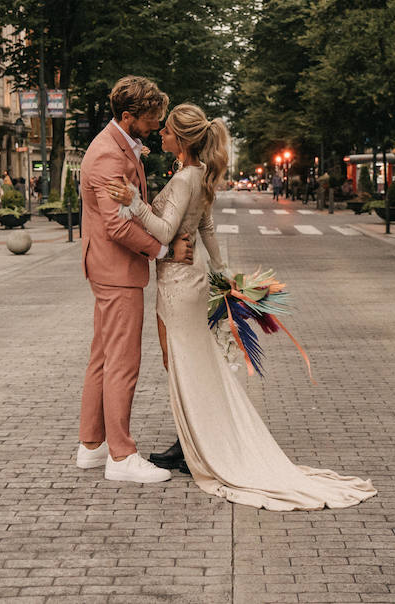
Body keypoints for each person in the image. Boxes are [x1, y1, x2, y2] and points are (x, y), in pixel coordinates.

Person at [105, 102, 375, 510]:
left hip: (178, 280)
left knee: (179, 361)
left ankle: (196, 444)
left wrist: (133, 200)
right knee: (191, 361)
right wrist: (222, 270)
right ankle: (191, 439)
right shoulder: (196, 176)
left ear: (181, 138)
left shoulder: (183, 180)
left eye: (166, 131)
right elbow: (206, 227)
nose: (159, 133)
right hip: (191, 275)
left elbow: (162, 230)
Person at [76, 76, 192, 483]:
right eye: (151, 120)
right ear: (128, 117)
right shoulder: (110, 156)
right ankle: (122, 457)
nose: (156, 128)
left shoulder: (118, 147)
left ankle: (92, 446)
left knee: (104, 358)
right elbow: (117, 226)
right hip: (117, 271)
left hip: (108, 269)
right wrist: (163, 251)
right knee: (123, 363)